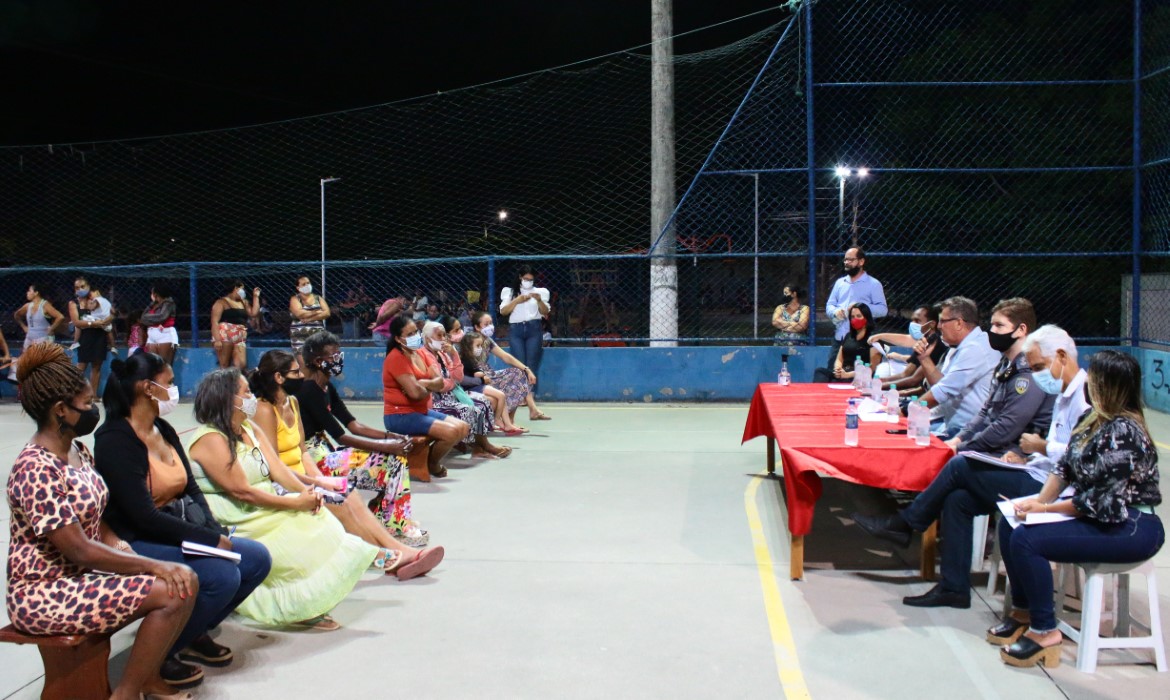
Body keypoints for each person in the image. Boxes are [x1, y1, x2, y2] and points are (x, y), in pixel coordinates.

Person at [5, 342, 198, 700]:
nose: (94, 408)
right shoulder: (35, 468)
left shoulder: (77, 450)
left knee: (182, 580)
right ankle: (127, 693)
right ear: (61, 410)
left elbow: (97, 518)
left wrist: (124, 547)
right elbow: (79, 550)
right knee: (173, 588)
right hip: (42, 593)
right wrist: (154, 566)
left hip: (78, 581)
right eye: (87, 403)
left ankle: (142, 680)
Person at [852, 297, 1056, 609]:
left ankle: (906, 523)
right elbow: (985, 415)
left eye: (999, 326)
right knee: (956, 500)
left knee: (959, 466)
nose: (992, 332)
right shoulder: (1006, 365)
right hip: (1005, 459)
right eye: (993, 324)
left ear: (1021, 330)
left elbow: (1006, 427)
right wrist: (960, 439)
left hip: (1037, 474)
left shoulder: (1030, 373)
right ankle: (954, 587)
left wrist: (963, 447)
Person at [94, 353, 272, 689]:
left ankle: (191, 632)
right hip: (139, 539)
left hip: (177, 530)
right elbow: (142, 516)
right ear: (149, 388)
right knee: (221, 574)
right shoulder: (115, 440)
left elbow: (190, 487)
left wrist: (212, 530)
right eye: (170, 382)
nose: (175, 389)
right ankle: (159, 655)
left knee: (255, 559)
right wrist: (207, 541)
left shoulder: (162, 427)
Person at [992, 350, 1162, 668]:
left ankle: (1045, 632)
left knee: (1028, 539)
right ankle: (1024, 611)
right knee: (1010, 522)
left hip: (1133, 526)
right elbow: (1065, 468)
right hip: (1106, 516)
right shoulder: (1094, 419)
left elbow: (1100, 502)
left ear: (1106, 385)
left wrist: (1044, 511)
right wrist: (1039, 502)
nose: (1087, 379)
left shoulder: (1124, 432)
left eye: (1093, 375)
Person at [187, 368, 379, 631]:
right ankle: (293, 606)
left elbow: (277, 468)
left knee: (321, 519)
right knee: (295, 535)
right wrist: (294, 503)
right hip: (238, 515)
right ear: (228, 398)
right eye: (246, 392)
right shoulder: (211, 438)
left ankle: (309, 601)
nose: (252, 396)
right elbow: (242, 491)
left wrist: (306, 492)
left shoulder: (247, 427)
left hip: (262, 501)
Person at [251, 348, 443, 572]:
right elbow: (275, 465)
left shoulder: (292, 402)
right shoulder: (264, 410)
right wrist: (317, 484)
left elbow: (302, 452)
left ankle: (398, 549)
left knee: (349, 494)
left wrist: (321, 479)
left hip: (304, 475)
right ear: (278, 377)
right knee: (337, 500)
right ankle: (383, 557)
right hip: (284, 481)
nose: (302, 376)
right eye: (296, 373)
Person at [295, 331, 433, 546]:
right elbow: (342, 437)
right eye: (333, 356)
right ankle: (396, 525)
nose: (339, 359)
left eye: (339, 353)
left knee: (394, 459)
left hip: (327, 452)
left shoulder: (326, 386)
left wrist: (391, 437)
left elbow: (353, 425)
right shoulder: (309, 390)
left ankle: (386, 518)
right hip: (315, 460)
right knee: (393, 461)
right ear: (318, 361)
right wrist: (387, 448)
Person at [382, 316, 470, 478]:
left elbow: (439, 382)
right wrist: (428, 385)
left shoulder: (419, 353)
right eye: (409, 334)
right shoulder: (396, 358)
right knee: (451, 433)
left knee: (463, 428)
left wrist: (422, 383)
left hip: (420, 411)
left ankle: (425, 460)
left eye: (415, 332)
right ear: (397, 338)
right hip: (400, 415)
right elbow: (415, 394)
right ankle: (432, 464)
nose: (415, 336)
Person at [909, 296, 1000, 437]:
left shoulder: (976, 348)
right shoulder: (963, 346)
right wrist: (924, 358)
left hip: (969, 432)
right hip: (953, 426)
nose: (938, 326)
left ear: (959, 323)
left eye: (943, 321)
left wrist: (906, 410)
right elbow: (941, 384)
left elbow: (943, 391)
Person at [422, 320, 512, 458]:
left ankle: (481, 447)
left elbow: (457, 377)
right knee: (468, 409)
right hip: (436, 400)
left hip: (452, 394)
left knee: (482, 403)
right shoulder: (424, 356)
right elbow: (440, 386)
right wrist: (451, 383)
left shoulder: (442, 354)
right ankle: (480, 447)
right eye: (439, 336)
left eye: (444, 335)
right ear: (428, 339)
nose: (443, 339)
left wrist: (454, 355)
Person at [446, 320, 525, 435]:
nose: (480, 349)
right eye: (478, 346)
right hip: (470, 388)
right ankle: (497, 421)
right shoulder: (463, 358)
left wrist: (481, 376)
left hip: (476, 385)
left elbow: (476, 370)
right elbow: (464, 377)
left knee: (499, 395)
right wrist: (481, 378)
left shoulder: (471, 358)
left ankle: (507, 424)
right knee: (500, 395)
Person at [470, 310, 550, 421]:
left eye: (491, 323)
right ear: (477, 327)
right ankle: (526, 413)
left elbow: (505, 356)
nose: (490, 327)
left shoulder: (488, 341)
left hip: (490, 373)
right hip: (478, 376)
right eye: (486, 324)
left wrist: (526, 369)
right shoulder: (469, 340)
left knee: (519, 373)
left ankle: (527, 412)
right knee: (516, 380)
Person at [824, 247, 887, 375]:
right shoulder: (840, 283)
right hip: (840, 338)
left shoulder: (873, 284)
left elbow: (883, 310)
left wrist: (861, 307)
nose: (846, 263)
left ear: (861, 262)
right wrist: (835, 312)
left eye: (851, 260)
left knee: (860, 378)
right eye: (845, 260)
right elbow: (830, 305)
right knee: (833, 373)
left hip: (862, 341)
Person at [869, 305, 944, 387]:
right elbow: (905, 374)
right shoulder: (925, 341)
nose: (913, 324)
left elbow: (912, 379)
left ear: (932, 324)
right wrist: (877, 382)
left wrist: (878, 385)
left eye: (917, 320)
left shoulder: (935, 343)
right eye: (912, 320)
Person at [500, 264, 551, 383]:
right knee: (518, 361)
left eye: (531, 279)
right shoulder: (510, 292)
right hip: (516, 329)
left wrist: (539, 300)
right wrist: (517, 301)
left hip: (534, 328)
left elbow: (545, 311)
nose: (528, 282)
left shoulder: (540, 292)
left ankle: (530, 392)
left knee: (532, 362)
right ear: (520, 277)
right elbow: (503, 311)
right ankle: (519, 393)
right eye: (526, 279)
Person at [68, 276, 113, 394]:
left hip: (99, 336)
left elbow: (108, 314)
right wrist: (93, 323)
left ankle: (93, 395)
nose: (79, 289)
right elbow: (77, 322)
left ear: (88, 287)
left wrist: (105, 321)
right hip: (85, 337)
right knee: (81, 366)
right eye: (77, 287)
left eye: (82, 287)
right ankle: (73, 393)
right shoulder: (73, 303)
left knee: (96, 366)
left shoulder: (96, 301)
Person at [812, 303, 874, 383]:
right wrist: (838, 370)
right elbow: (839, 359)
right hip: (843, 373)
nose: (855, 319)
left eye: (859, 316)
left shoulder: (873, 338)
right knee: (820, 372)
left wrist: (848, 375)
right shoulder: (848, 336)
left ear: (866, 318)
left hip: (858, 376)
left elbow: (872, 367)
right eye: (852, 317)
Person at [209, 280, 259, 370]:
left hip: (240, 336)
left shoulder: (244, 302)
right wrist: (217, 340)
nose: (243, 291)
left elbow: (253, 313)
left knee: (241, 364)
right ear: (236, 288)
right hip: (225, 335)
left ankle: (236, 382)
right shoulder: (221, 302)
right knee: (224, 364)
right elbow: (214, 321)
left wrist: (256, 297)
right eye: (241, 289)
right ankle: (223, 383)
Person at [288, 275, 331, 357]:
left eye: (308, 283)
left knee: (319, 362)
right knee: (303, 363)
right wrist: (317, 311)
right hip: (299, 336)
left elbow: (327, 313)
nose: (307, 285)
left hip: (318, 335)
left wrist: (311, 318)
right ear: (298, 288)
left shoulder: (318, 298)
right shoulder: (295, 299)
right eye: (303, 284)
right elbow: (299, 313)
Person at [14, 283, 65, 349]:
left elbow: (60, 317)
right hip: (29, 338)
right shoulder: (27, 306)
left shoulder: (45, 305)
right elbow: (16, 315)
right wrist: (23, 327)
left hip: (43, 338)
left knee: (42, 358)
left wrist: (51, 328)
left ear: (36, 293)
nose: (27, 293)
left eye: (29, 291)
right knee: (25, 358)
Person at [142, 283, 179, 365]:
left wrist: (149, 318)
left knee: (165, 365)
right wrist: (150, 317)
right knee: (153, 365)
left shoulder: (169, 303)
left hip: (165, 334)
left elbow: (162, 317)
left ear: (156, 294)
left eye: (152, 293)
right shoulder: (153, 305)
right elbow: (143, 318)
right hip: (151, 334)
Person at [771, 283, 809, 355]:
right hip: (781, 342)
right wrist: (794, 324)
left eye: (786, 293)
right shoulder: (780, 308)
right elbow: (775, 322)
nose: (784, 295)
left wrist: (783, 325)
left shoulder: (804, 308)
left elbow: (802, 325)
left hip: (798, 342)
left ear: (794, 294)